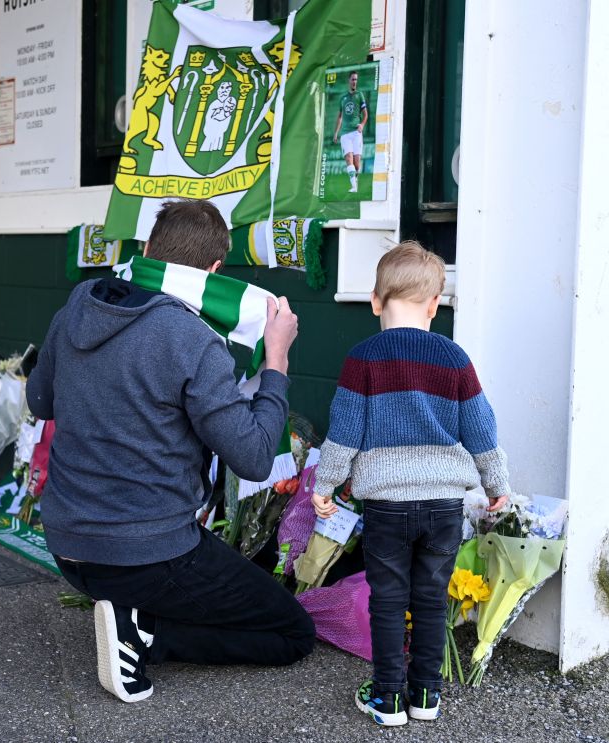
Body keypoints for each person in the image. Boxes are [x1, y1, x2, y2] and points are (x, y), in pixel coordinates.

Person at [26, 199, 315, 704]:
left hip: (68, 543)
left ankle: (129, 614)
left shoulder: (80, 302)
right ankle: (142, 634)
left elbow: (39, 399)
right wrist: (277, 362)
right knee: (292, 633)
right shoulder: (191, 337)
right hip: (146, 553)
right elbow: (252, 457)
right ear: (214, 272)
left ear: (149, 251)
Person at [311, 241, 510, 726]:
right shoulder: (455, 358)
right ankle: (427, 696)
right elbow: (482, 428)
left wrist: (326, 484)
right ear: (434, 305)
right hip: (444, 505)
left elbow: (344, 432)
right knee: (430, 597)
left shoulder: (363, 359)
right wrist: (495, 484)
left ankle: (388, 699)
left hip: (387, 508)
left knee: (389, 599)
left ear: (376, 302)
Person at [332, 70, 368, 193]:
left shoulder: (360, 95)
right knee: (349, 159)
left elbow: (365, 114)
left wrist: (362, 125)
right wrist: (336, 132)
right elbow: (340, 117)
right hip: (345, 134)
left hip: (356, 133)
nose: (354, 81)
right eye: (352, 79)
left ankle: (355, 179)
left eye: (356, 79)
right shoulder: (342, 98)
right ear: (349, 80)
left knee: (357, 164)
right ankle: (354, 187)